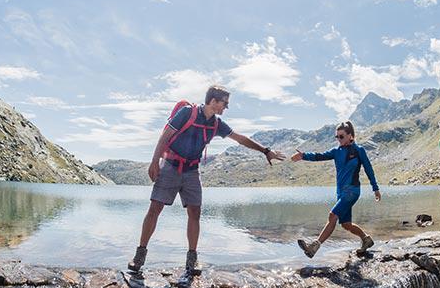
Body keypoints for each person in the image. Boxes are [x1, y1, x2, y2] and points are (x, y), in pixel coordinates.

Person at [128, 85, 285, 274]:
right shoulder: (187, 113)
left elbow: (240, 139)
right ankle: (140, 255)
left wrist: (266, 151)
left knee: (195, 213)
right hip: (170, 166)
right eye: (224, 103)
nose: (226, 108)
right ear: (213, 101)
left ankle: (192, 259)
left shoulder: (216, 124)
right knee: (154, 209)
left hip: (192, 171)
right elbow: (165, 136)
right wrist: (154, 161)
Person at [291, 121, 381, 258]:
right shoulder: (336, 151)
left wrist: (375, 188)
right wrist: (303, 156)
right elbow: (319, 156)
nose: (339, 139)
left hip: (352, 191)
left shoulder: (359, 151)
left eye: (342, 136)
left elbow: (369, 170)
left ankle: (314, 247)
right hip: (340, 192)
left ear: (350, 136)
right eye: (337, 137)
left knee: (332, 215)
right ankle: (366, 239)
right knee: (346, 224)